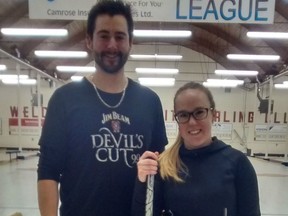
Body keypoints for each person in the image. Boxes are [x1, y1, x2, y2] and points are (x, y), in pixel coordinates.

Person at [37, 1, 168, 215]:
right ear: (89, 41)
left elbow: (159, 171)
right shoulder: (65, 100)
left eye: (119, 36)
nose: (112, 45)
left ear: (130, 42)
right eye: (104, 36)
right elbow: (48, 172)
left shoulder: (149, 102)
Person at [132, 81, 261, 216]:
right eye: (183, 115)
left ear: (214, 115)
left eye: (199, 112)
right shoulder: (164, 165)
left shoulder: (238, 163)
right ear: (177, 119)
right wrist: (142, 182)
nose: (192, 122)